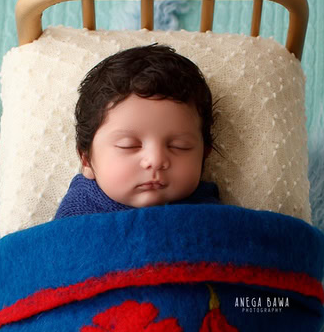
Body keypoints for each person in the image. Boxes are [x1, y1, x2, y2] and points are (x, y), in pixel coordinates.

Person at [53, 44, 223, 219]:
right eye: (129, 145)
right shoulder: (76, 215)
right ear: (86, 159)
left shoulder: (214, 217)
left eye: (179, 146)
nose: (156, 160)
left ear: (204, 155)